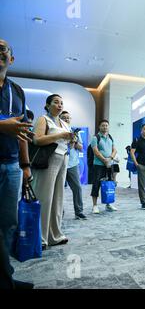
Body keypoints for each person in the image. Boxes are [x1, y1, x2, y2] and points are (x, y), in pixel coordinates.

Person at [0, 38, 34, 289]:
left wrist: (25, 164)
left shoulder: (17, 91)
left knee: (8, 223)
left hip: (12, 165)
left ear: (11, 59)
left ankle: (5, 277)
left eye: (4, 49)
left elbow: (21, 129)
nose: (0, 51)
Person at [32, 94, 74, 249]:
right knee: (45, 197)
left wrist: (70, 138)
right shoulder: (43, 119)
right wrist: (61, 135)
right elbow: (37, 140)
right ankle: (40, 237)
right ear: (48, 105)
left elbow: (66, 140)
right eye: (56, 102)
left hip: (64, 158)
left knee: (58, 198)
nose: (59, 105)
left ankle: (54, 235)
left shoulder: (64, 122)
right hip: (49, 159)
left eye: (62, 103)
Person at [60, 111, 86, 220]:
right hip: (59, 163)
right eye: (64, 118)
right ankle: (59, 212)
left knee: (77, 188)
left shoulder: (75, 132)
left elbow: (81, 147)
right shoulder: (57, 131)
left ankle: (79, 211)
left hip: (72, 164)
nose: (66, 119)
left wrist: (74, 142)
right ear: (60, 119)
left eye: (68, 118)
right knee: (58, 190)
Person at [90, 119, 118, 213]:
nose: (105, 127)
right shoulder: (96, 137)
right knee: (96, 184)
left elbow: (114, 150)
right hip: (98, 165)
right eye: (103, 125)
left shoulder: (110, 137)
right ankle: (94, 206)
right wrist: (104, 160)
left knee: (109, 184)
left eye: (106, 125)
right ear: (99, 127)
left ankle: (108, 204)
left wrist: (110, 158)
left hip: (109, 164)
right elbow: (95, 151)